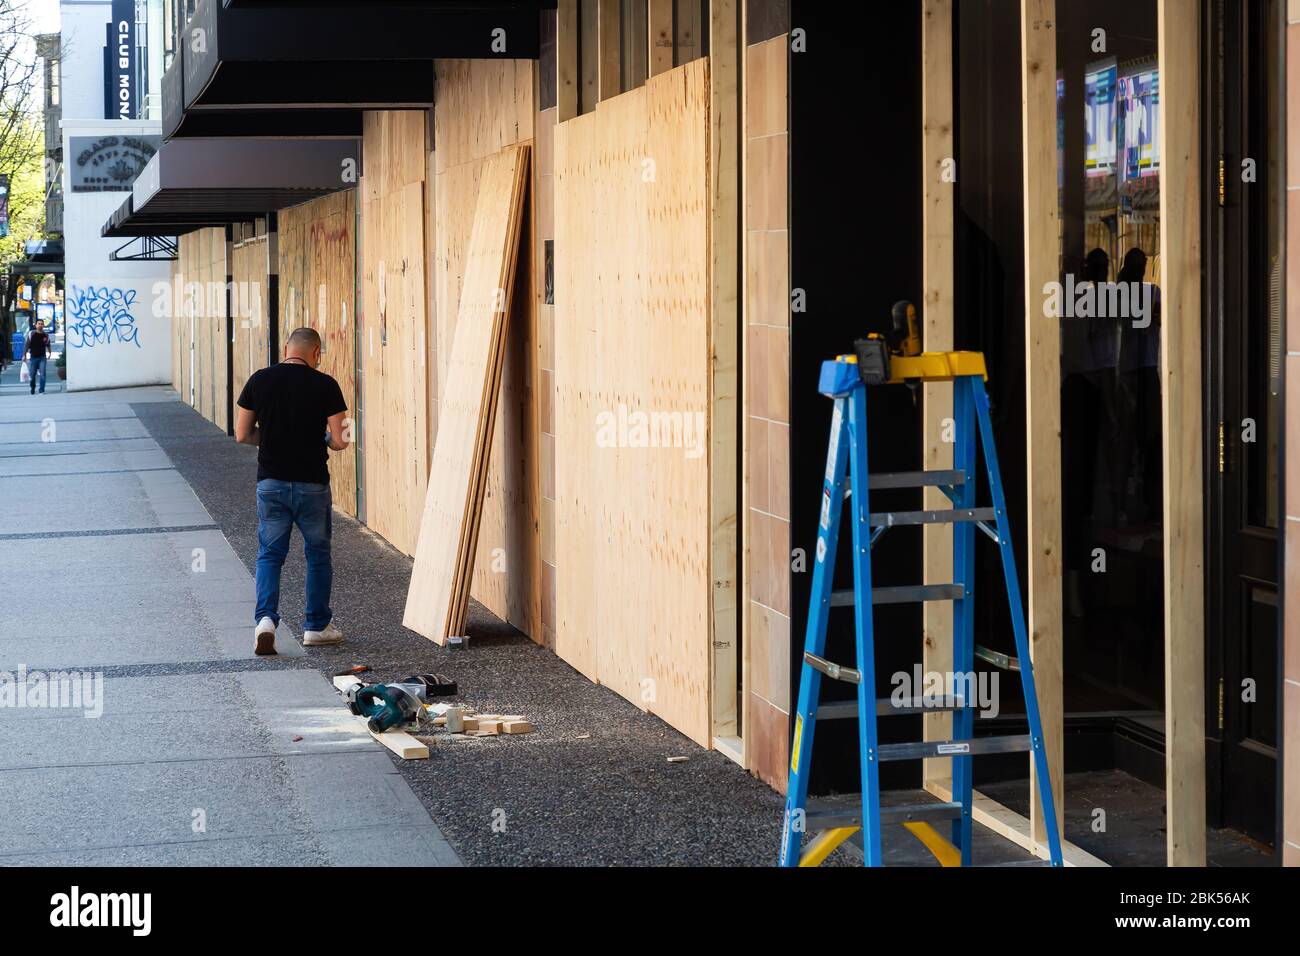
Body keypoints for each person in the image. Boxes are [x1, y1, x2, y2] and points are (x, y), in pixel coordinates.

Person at [235, 327, 349, 655]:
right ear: (316, 352)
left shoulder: (259, 380)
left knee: (270, 554)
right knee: (317, 554)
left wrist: (270, 438)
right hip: (312, 485)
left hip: (271, 483)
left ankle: (266, 621)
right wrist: (323, 439)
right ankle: (316, 626)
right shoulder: (326, 385)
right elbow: (341, 439)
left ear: (286, 348)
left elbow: (242, 434)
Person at [23, 319, 51, 395]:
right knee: (32, 376)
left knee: (43, 374)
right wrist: (24, 355)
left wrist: (49, 352)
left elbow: (48, 344)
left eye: (42, 324)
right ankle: (32, 387)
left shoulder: (46, 335)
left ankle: (41, 390)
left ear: (43, 325)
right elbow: (27, 345)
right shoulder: (31, 334)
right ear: (36, 325)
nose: (40, 325)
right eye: (39, 324)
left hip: (42, 357)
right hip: (33, 358)